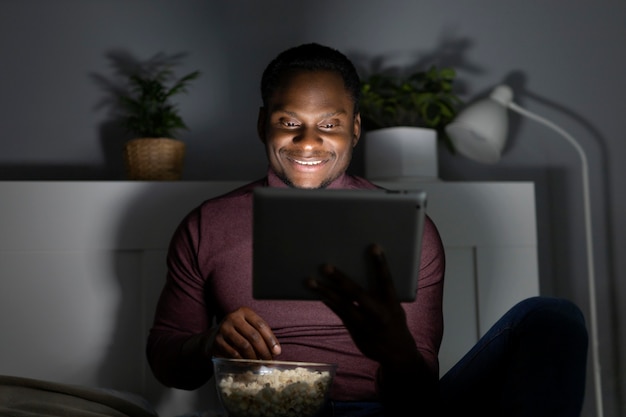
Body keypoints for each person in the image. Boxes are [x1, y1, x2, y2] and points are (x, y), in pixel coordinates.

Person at [146, 43, 589, 417]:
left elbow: (416, 398)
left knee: (551, 317)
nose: (308, 141)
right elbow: (169, 365)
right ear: (263, 124)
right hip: (274, 410)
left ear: (355, 129)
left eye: (330, 125)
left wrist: (394, 347)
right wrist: (209, 342)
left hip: (388, 409)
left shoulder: (407, 229)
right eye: (288, 122)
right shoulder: (208, 225)